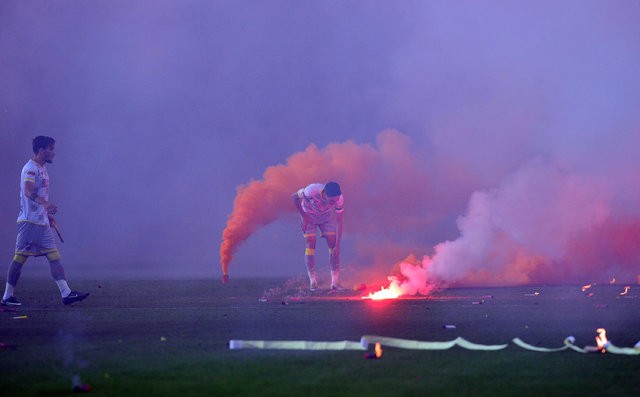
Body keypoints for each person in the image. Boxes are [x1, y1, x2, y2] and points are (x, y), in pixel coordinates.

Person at [1, 136, 89, 306]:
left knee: (54, 257)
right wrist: (46, 204)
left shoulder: (42, 168)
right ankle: (6, 297)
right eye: (51, 149)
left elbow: (36, 196)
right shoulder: (30, 169)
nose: (53, 153)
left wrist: (47, 213)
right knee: (19, 258)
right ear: (41, 150)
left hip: (42, 222)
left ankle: (66, 293)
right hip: (30, 223)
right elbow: (27, 191)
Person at [292, 181, 344, 291]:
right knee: (310, 244)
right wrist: (304, 216)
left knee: (333, 246)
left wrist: (338, 245)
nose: (334, 203)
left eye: (335, 201)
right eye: (331, 201)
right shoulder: (311, 190)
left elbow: (339, 221)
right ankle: (313, 283)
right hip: (309, 215)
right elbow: (294, 197)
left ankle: (335, 283)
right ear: (325, 194)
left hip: (326, 217)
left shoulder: (339, 198)